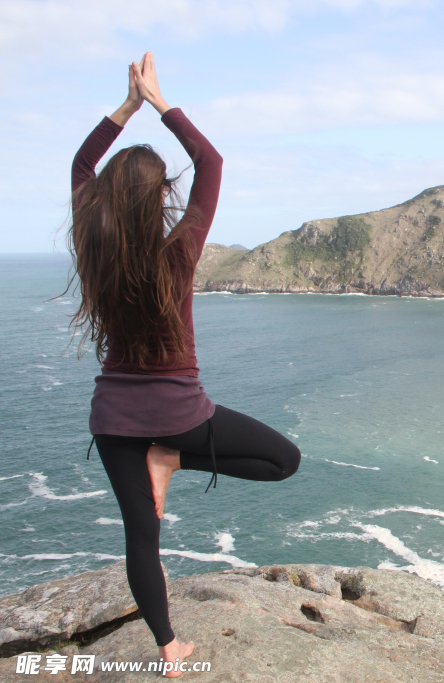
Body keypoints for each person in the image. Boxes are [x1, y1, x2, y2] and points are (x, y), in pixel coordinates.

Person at [69, 53, 300, 676]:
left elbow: (81, 166)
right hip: (179, 414)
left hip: (112, 419)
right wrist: (160, 101)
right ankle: (172, 455)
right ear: (162, 197)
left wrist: (125, 108)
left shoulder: (95, 251)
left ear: (108, 199)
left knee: (140, 540)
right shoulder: (179, 254)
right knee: (285, 461)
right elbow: (212, 163)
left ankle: (168, 651)